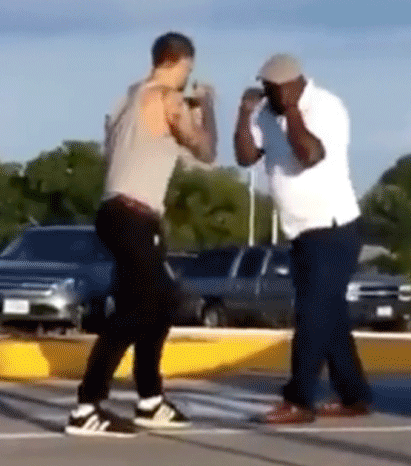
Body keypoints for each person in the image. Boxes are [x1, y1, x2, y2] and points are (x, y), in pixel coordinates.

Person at [66, 32, 217, 437]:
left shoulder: (127, 100)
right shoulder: (168, 98)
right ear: (177, 61)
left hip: (119, 213)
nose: (188, 77)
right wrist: (208, 107)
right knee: (139, 309)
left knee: (162, 301)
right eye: (188, 68)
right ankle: (86, 406)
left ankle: (150, 399)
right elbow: (206, 151)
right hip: (134, 216)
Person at [233, 53, 371, 425]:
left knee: (312, 314)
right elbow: (246, 157)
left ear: (293, 84)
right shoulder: (264, 113)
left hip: (334, 228)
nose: (268, 94)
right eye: (264, 87)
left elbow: (309, 154)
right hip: (300, 232)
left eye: (273, 88)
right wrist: (245, 114)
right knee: (331, 318)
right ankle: (354, 395)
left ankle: (299, 400)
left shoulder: (326, 107)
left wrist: (292, 111)